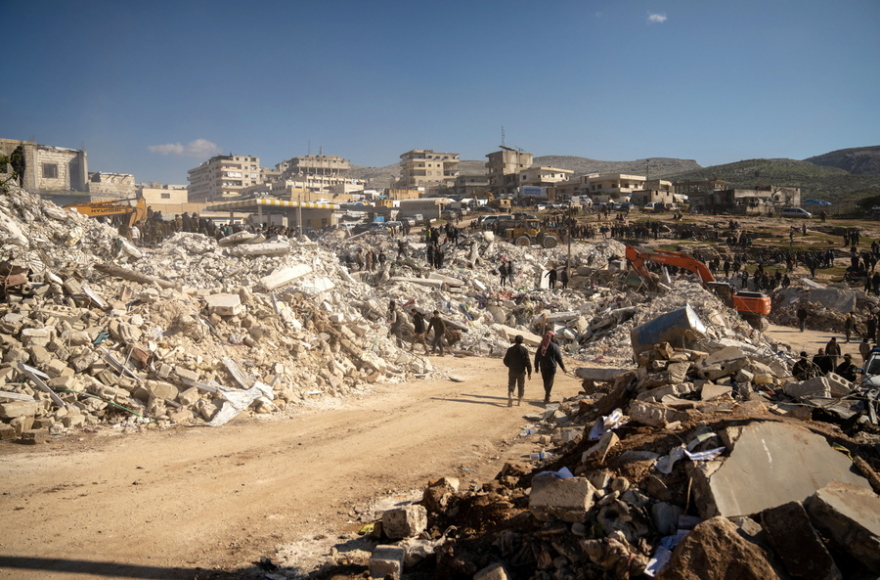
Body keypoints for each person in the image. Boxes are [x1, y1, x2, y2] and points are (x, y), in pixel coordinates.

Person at [534, 330, 566, 405]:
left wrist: (536, 367)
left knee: (545, 382)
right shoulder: (554, 346)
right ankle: (547, 396)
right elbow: (559, 358)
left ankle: (547, 394)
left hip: (543, 367)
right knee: (550, 383)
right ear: (551, 337)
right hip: (551, 367)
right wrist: (563, 368)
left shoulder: (541, 346)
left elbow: (537, 357)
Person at [502, 335, 532, 407]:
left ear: (515, 341)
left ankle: (511, 394)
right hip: (521, 371)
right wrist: (529, 372)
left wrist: (509, 365)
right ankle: (519, 401)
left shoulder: (510, 349)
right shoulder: (524, 350)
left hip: (512, 370)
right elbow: (527, 362)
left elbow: (505, 360)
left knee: (511, 384)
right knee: (521, 385)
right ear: (522, 341)